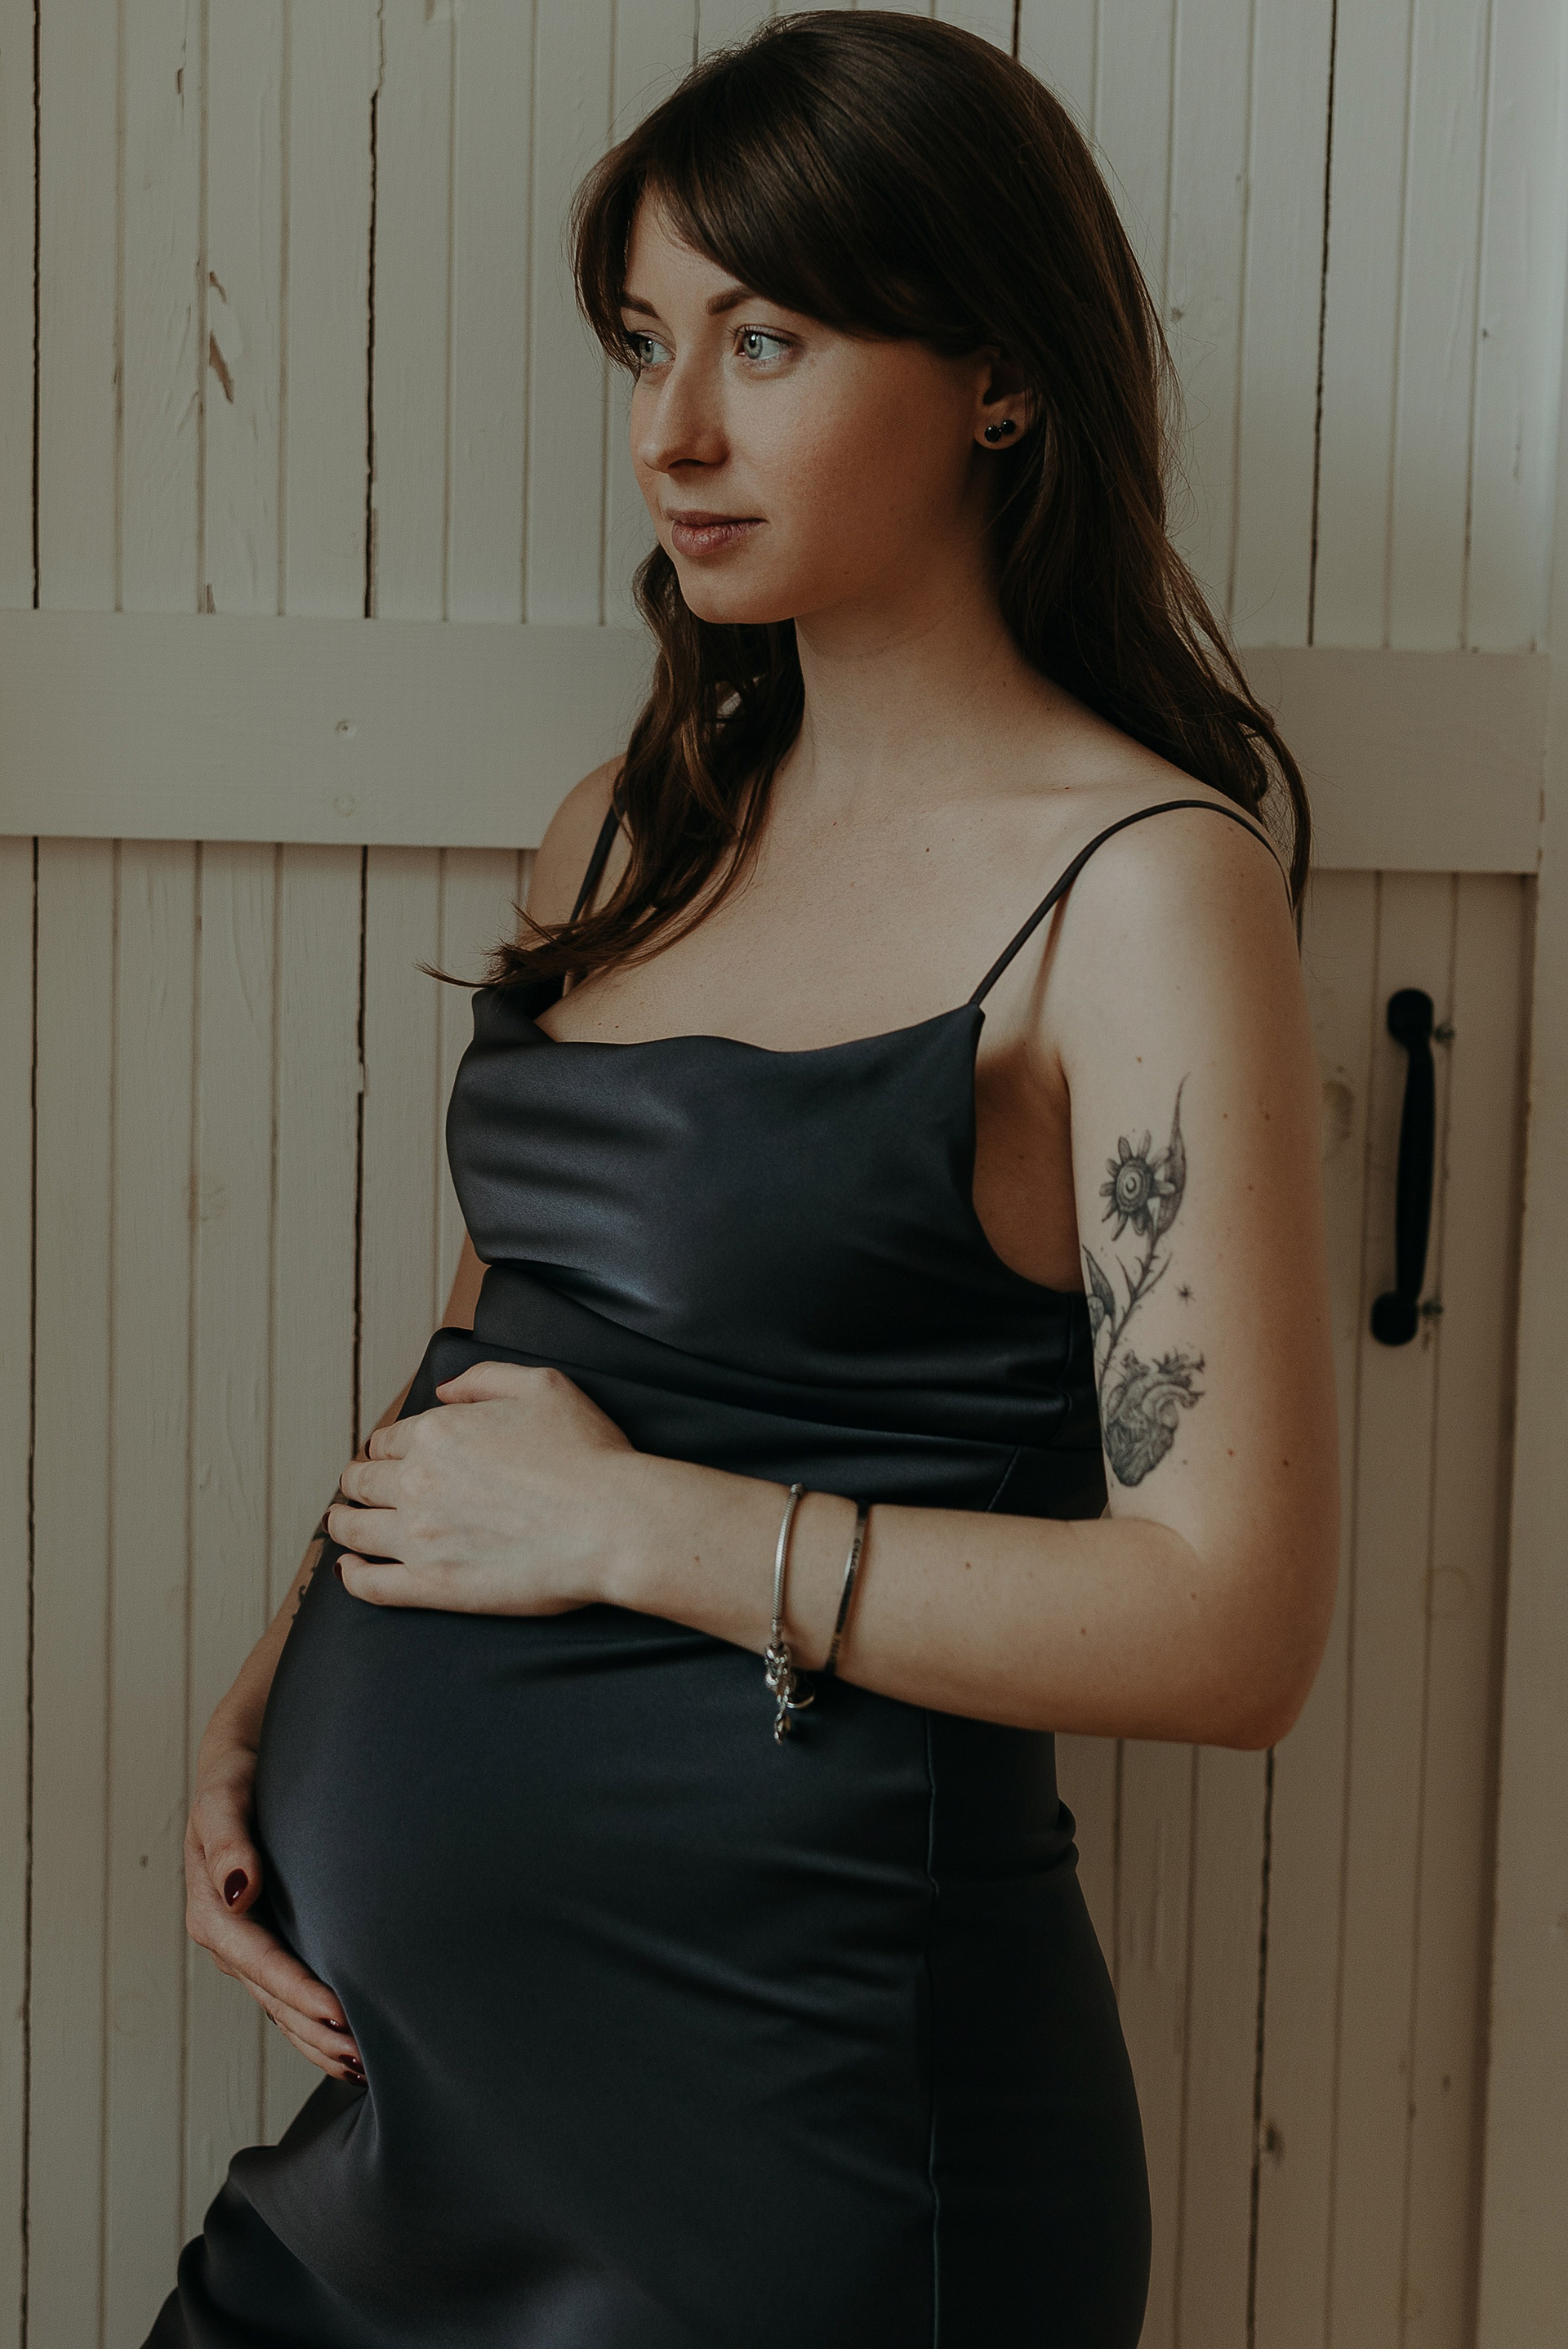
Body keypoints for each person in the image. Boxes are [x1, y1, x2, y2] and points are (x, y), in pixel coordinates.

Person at [149, 13, 1337, 2345]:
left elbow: (1232, 1626)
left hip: (802, 2166)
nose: (671, 431)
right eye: (645, 341)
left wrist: (639, 1530)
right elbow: (491, 1346)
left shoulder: (1139, 890)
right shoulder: (624, 835)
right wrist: (266, 1702)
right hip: (408, 2141)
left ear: (1001, 379)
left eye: (765, 340)